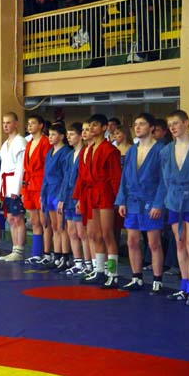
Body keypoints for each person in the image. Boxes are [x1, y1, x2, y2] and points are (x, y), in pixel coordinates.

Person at [160, 109, 189, 307]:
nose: (172, 128)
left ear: (186, 123)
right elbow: (164, 180)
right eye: (170, 125)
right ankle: (184, 286)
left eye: (176, 123)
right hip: (174, 200)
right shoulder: (166, 151)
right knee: (179, 243)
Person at [116, 113, 166, 294]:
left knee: (153, 243)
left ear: (151, 128)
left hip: (150, 200)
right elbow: (124, 177)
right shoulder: (132, 150)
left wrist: (158, 204)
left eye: (142, 124)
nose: (137, 127)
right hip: (132, 200)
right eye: (135, 124)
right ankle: (136, 277)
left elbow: (164, 180)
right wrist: (122, 200)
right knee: (132, 241)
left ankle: (157, 280)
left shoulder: (161, 150)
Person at [74, 114, 122, 288]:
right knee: (95, 234)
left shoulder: (110, 150)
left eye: (95, 125)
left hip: (105, 193)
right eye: (90, 125)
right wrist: (79, 198)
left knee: (108, 234)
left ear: (104, 128)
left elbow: (116, 177)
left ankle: (113, 273)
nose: (92, 128)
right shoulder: (87, 150)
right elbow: (81, 176)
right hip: (89, 194)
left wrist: (119, 199)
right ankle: (99, 270)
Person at [58, 122, 92, 276]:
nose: (68, 137)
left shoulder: (85, 153)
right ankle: (77, 262)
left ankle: (88, 263)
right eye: (68, 134)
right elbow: (65, 179)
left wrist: (80, 198)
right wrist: (61, 198)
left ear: (80, 136)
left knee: (82, 232)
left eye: (72, 134)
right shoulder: (69, 155)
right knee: (71, 230)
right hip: (68, 196)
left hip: (79, 196)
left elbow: (83, 179)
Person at [40, 124, 72, 271]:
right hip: (49, 191)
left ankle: (65, 257)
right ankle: (57, 255)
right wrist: (42, 194)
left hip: (59, 191)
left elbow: (66, 177)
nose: (50, 137)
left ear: (62, 136)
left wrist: (62, 197)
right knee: (54, 226)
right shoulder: (50, 152)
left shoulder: (66, 153)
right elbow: (45, 175)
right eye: (49, 134)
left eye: (53, 134)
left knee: (62, 226)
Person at [22, 115, 52, 264]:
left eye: (33, 123)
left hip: (40, 184)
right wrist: (23, 188)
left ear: (41, 125)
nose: (29, 126)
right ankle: (36, 253)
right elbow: (25, 167)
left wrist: (45, 189)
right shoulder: (29, 143)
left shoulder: (46, 142)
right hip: (29, 185)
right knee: (34, 221)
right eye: (28, 123)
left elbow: (48, 167)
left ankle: (47, 253)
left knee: (44, 221)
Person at [0, 112, 27, 261]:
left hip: (15, 183)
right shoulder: (5, 143)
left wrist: (17, 189)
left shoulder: (20, 142)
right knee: (10, 218)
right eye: (4, 123)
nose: (5, 126)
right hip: (6, 184)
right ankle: (14, 248)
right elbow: (3, 167)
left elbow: (21, 167)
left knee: (18, 218)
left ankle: (19, 250)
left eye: (8, 123)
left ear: (16, 123)